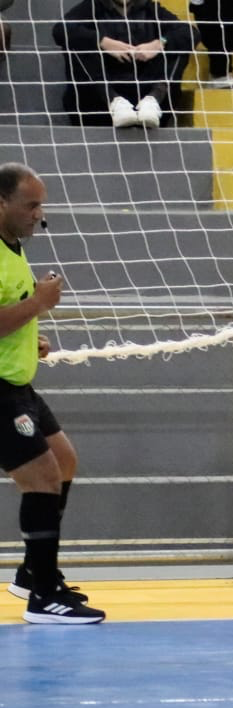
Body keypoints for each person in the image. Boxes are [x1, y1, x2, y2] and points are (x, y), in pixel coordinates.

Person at [0, 164, 105, 624]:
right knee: (42, 477)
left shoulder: (13, 249)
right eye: (31, 205)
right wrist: (40, 304)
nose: (40, 215)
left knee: (63, 462)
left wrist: (31, 337)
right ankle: (43, 596)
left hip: (18, 383)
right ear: (1, 203)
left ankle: (31, 572)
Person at [54, 0, 197, 129]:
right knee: (76, 43)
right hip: (100, 100)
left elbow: (191, 33)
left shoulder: (149, 8)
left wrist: (159, 43)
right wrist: (102, 41)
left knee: (178, 43)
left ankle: (153, 100)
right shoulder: (92, 6)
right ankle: (114, 101)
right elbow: (60, 29)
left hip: (145, 101)